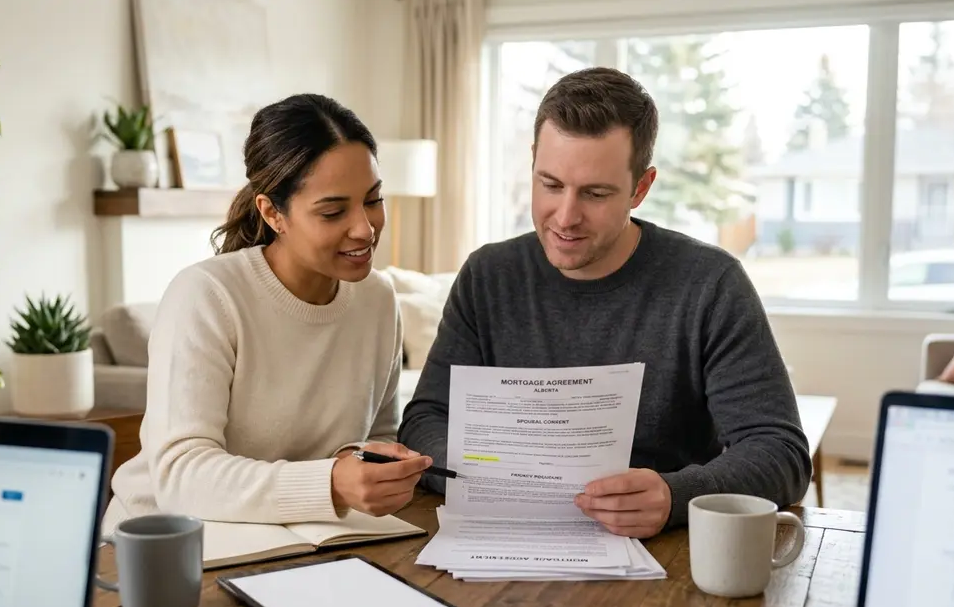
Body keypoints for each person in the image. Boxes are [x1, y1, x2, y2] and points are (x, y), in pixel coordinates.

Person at [399, 67, 811, 539]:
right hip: (504, 539)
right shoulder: (487, 277)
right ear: (533, 161)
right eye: (550, 184)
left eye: (595, 194)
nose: (566, 217)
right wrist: (489, 478)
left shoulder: (709, 284)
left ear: (641, 187)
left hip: (662, 555)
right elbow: (425, 420)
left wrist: (675, 495)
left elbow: (780, 452)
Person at [103, 94, 432, 533]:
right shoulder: (206, 296)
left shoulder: (377, 300)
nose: (365, 228)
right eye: (333, 211)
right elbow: (179, 477)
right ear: (272, 212)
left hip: (299, 541)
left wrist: (366, 465)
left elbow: (380, 437)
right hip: (164, 546)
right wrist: (330, 482)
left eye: (373, 200)